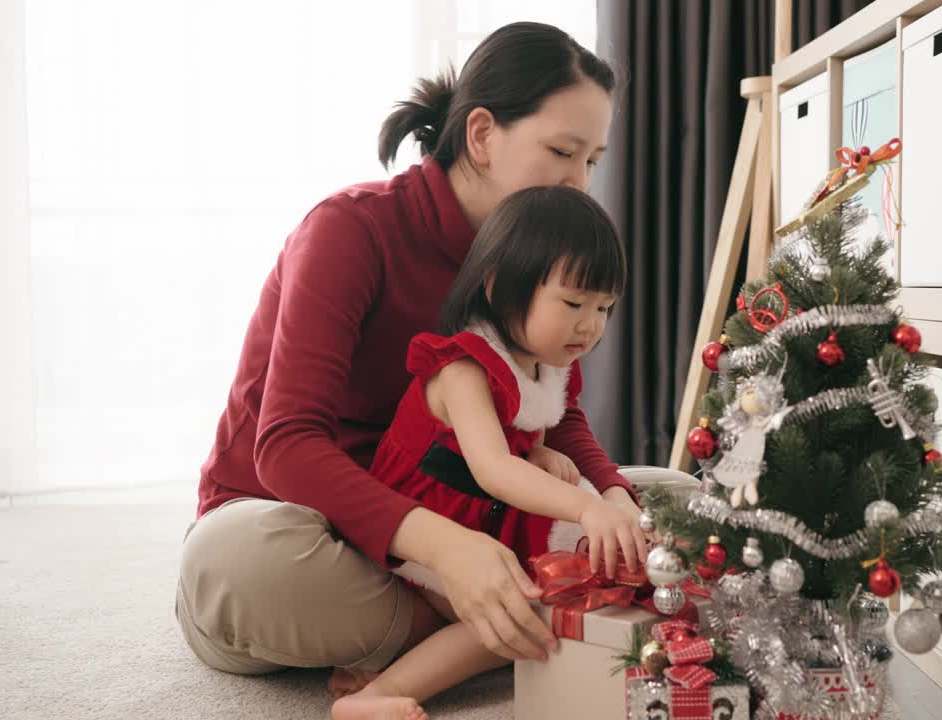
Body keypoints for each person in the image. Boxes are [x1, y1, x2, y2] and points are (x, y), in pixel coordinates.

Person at [176, 20, 636, 705]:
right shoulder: (350, 231)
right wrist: (452, 550)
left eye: (593, 160)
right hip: (305, 524)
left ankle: (486, 616)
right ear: (481, 136)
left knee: (665, 504)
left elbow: (557, 416)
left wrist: (616, 498)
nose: (580, 185)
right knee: (239, 569)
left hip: (465, 527)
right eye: (563, 152)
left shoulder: (537, 268)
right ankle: (512, 615)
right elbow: (287, 447)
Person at [332, 185, 646, 720]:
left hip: (484, 509)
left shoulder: (547, 360)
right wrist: (589, 507)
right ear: (502, 288)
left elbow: (529, 434)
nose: (591, 325)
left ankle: (377, 670)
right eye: (573, 304)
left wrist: (543, 458)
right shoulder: (463, 366)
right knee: (514, 613)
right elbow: (495, 467)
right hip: (429, 515)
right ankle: (374, 696)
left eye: (604, 308)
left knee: (580, 569)